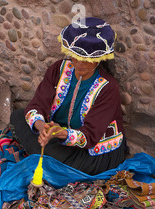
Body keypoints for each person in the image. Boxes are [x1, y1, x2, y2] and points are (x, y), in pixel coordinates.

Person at [10, 17, 127, 175]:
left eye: (85, 60)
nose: (78, 64)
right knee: (18, 116)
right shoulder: (58, 69)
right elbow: (37, 105)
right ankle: (49, 161)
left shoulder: (108, 87)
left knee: (55, 158)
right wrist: (42, 127)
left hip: (91, 151)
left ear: (98, 60)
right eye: (75, 57)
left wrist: (61, 133)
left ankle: (51, 162)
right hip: (58, 138)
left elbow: (90, 135)